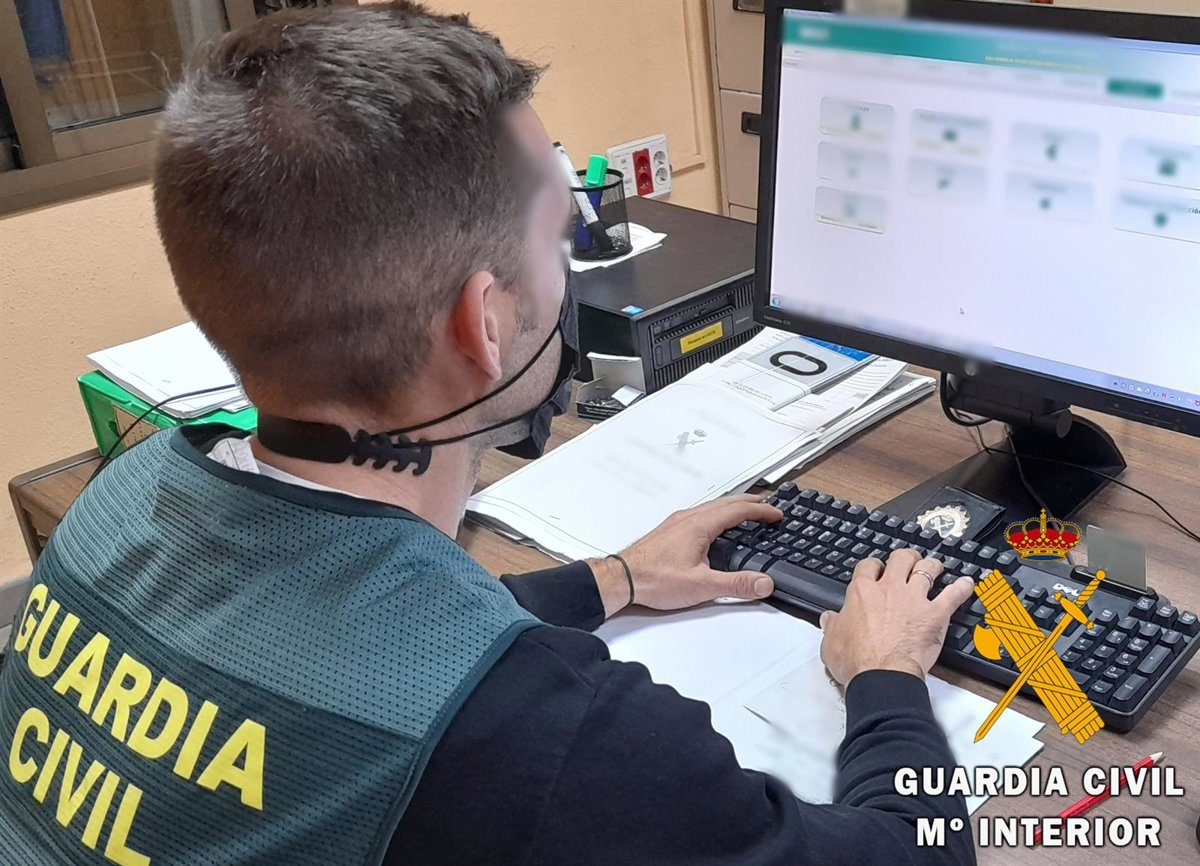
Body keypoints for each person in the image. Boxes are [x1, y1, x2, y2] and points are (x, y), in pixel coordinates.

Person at [0, 4, 977, 864]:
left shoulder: (116, 502)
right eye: (557, 240)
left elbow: (341, 644)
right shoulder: (558, 742)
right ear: (485, 323)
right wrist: (886, 675)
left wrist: (613, 578)